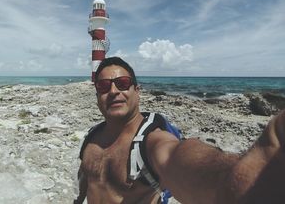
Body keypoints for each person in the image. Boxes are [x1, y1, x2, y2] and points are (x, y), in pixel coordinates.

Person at [74, 56, 285, 204]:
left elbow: (176, 157)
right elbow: (86, 182)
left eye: (122, 83)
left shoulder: (150, 140)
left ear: (137, 91)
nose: (113, 91)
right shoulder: (92, 137)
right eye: (103, 86)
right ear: (97, 96)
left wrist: (238, 178)